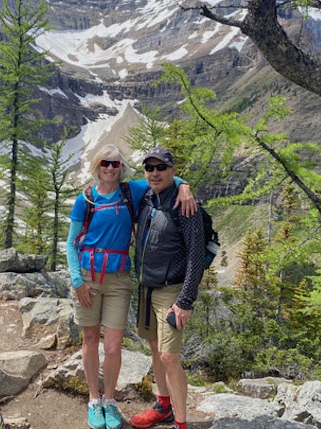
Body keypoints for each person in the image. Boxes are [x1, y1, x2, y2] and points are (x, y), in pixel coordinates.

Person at [66, 144, 196, 429]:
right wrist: (77, 281)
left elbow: (165, 177)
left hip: (119, 280)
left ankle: (110, 401)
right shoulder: (85, 199)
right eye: (105, 163)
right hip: (87, 277)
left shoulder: (131, 191)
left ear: (121, 167)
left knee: (112, 346)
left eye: (115, 164)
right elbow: (71, 243)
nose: (110, 168)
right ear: (97, 165)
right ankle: (93, 400)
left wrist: (184, 186)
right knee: (89, 340)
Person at [130, 146, 205, 429]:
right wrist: (182, 182)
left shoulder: (185, 206)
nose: (154, 173)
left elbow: (196, 255)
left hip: (171, 290)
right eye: (149, 168)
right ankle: (163, 406)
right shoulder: (147, 196)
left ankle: (181, 423)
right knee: (154, 346)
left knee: (169, 355)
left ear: (172, 170)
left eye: (161, 167)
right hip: (147, 287)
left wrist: (186, 300)